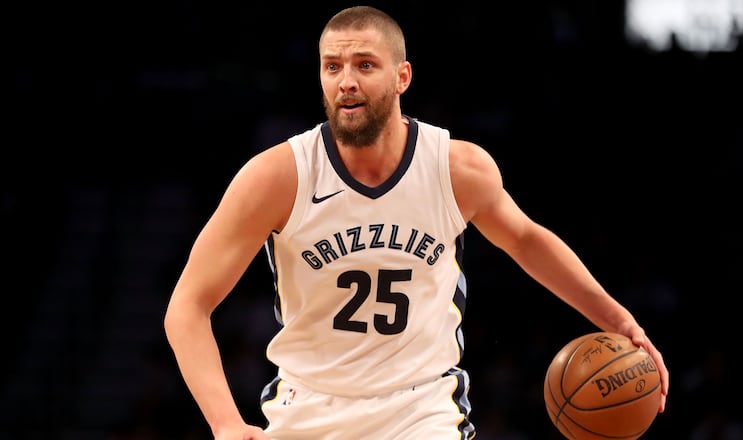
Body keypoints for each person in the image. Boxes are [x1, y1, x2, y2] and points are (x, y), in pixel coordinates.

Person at [164, 5, 669, 440]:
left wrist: (620, 321)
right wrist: (226, 424)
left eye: (365, 64)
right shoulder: (277, 177)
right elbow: (186, 306)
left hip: (421, 409)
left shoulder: (456, 168)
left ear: (402, 77)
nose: (346, 81)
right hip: (308, 408)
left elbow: (527, 241)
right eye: (332, 66)